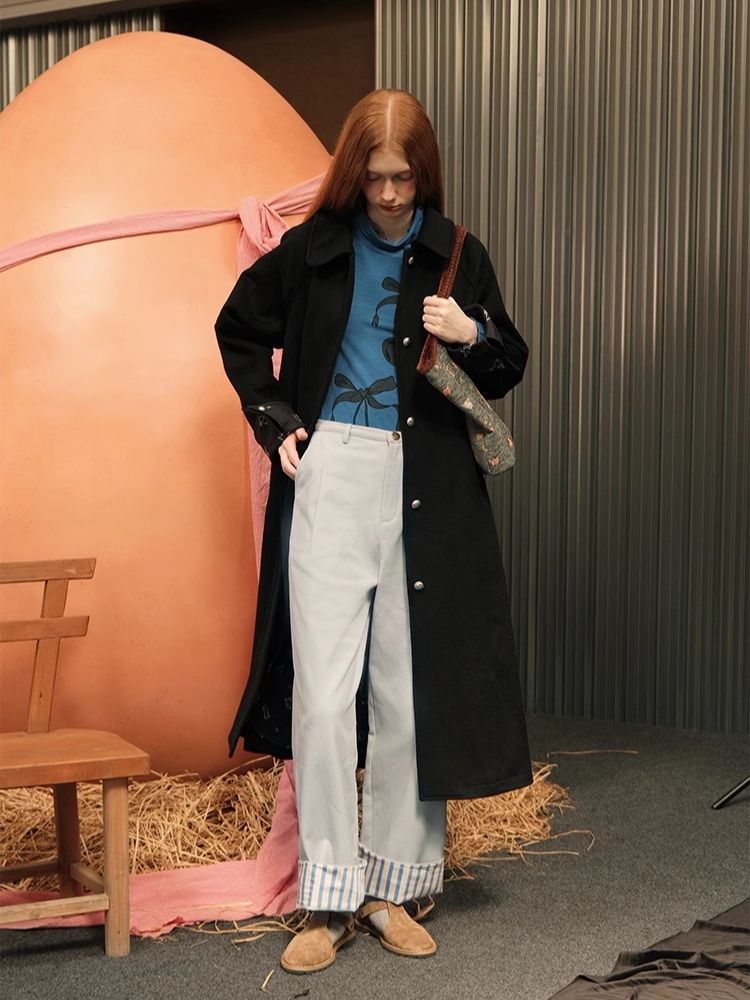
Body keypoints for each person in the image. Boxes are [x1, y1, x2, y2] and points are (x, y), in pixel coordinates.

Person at [215, 89, 532, 974]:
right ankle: (326, 896)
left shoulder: (456, 253)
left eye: (404, 178)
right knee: (323, 695)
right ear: (353, 174)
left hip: (428, 481)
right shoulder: (311, 250)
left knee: (405, 689)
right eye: (375, 178)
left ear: (424, 173)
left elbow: (507, 363)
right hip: (334, 474)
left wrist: (471, 329)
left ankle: (394, 887)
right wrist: (277, 423)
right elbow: (238, 332)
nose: (390, 195)